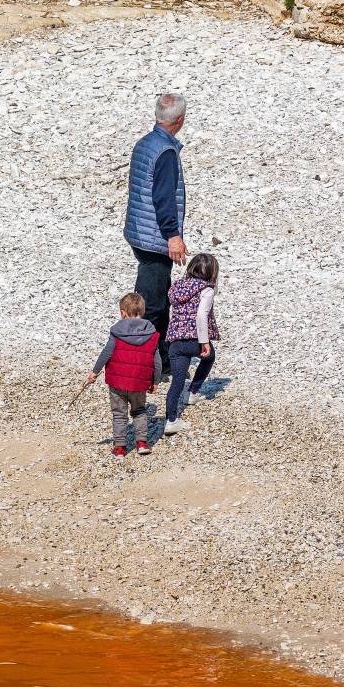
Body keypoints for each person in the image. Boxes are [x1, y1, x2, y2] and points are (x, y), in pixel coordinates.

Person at [123, 92, 188, 378]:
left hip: (139, 230)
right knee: (153, 303)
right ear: (181, 120)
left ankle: (161, 358)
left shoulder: (146, 143)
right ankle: (144, 363)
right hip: (154, 237)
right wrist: (173, 236)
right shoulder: (165, 151)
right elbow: (163, 198)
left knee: (157, 296)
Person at [87, 292, 162, 458]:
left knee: (119, 414)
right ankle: (142, 442)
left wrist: (94, 372)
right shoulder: (150, 333)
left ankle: (120, 447)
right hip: (139, 383)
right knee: (140, 411)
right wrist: (155, 381)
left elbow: (106, 353)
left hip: (117, 382)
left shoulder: (117, 332)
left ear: (122, 312)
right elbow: (156, 360)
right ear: (142, 312)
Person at [162, 253, 221, 436]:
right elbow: (201, 315)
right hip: (193, 339)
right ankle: (193, 391)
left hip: (174, 341)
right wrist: (204, 342)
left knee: (176, 382)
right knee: (209, 357)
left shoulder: (178, 287)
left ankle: (171, 420)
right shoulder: (206, 289)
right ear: (212, 272)